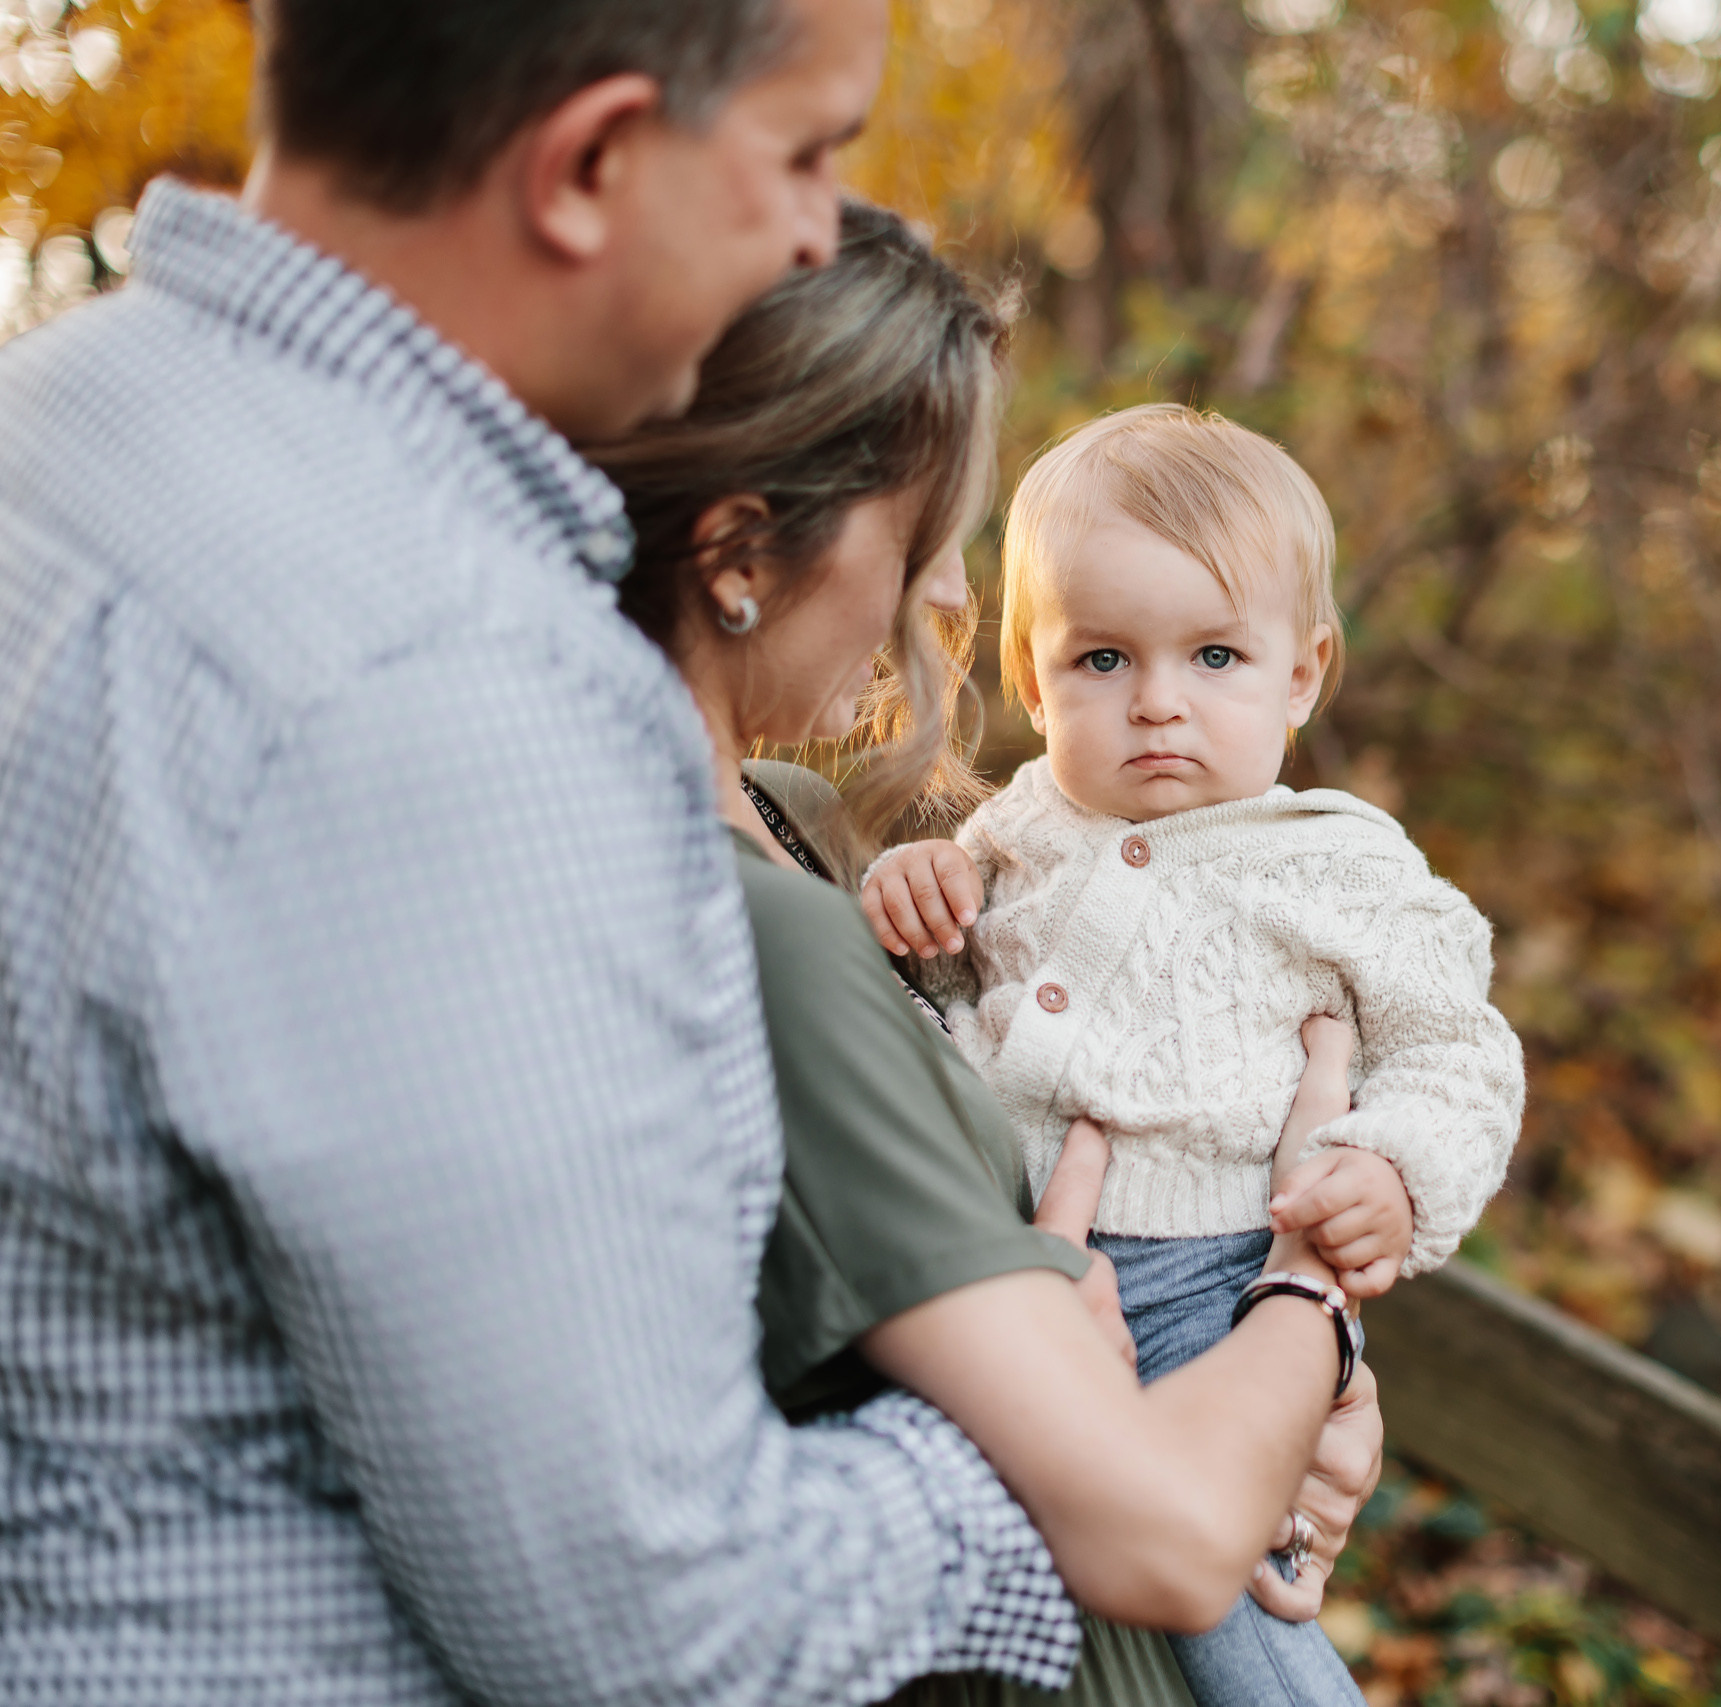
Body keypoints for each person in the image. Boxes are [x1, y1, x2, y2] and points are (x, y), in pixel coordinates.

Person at [0, 1, 1354, 1701]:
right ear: (585, 164)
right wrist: (1091, 1439)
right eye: (801, 154)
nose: (812, 231)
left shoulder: (58, 424)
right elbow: (654, 1624)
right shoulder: (452, 679)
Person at [589, 201, 1384, 1706]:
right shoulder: (746, 926)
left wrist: (1288, 1389)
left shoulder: (808, 826)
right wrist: (1312, 1315)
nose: (956, 599)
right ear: (744, 550)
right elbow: (1141, 1508)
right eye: (929, 536)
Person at [858, 403, 1527, 1705]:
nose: (1158, 704)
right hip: (1001, 1278)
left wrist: (1391, 1169)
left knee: (1239, 1617)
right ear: (1033, 673)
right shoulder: (1013, 833)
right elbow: (950, 986)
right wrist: (915, 888)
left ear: (1302, 673)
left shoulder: (1339, 866)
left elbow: (1461, 1057)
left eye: (1215, 654)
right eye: (1103, 659)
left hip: (1212, 1294)